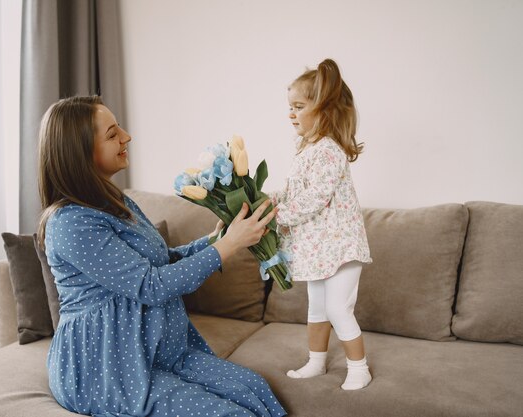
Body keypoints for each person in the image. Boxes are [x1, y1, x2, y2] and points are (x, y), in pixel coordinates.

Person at [36, 95, 287, 417]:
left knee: (253, 388)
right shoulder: (71, 222)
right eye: (112, 134)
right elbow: (151, 285)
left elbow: (160, 260)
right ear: (78, 152)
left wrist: (215, 240)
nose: (126, 137)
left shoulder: (115, 200)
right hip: (107, 366)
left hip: (160, 352)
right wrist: (227, 248)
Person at [270, 59, 373, 390]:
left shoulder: (329, 151)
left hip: (341, 247)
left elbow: (314, 199)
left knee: (337, 307)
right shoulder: (306, 151)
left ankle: (359, 367)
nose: (291, 114)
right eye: (291, 107)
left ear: (324, 109)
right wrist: (268, 201)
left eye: (298, 106)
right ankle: (316, 362)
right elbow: (292, 190)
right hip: (320, 250)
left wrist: (277, 216)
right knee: (316, 308)